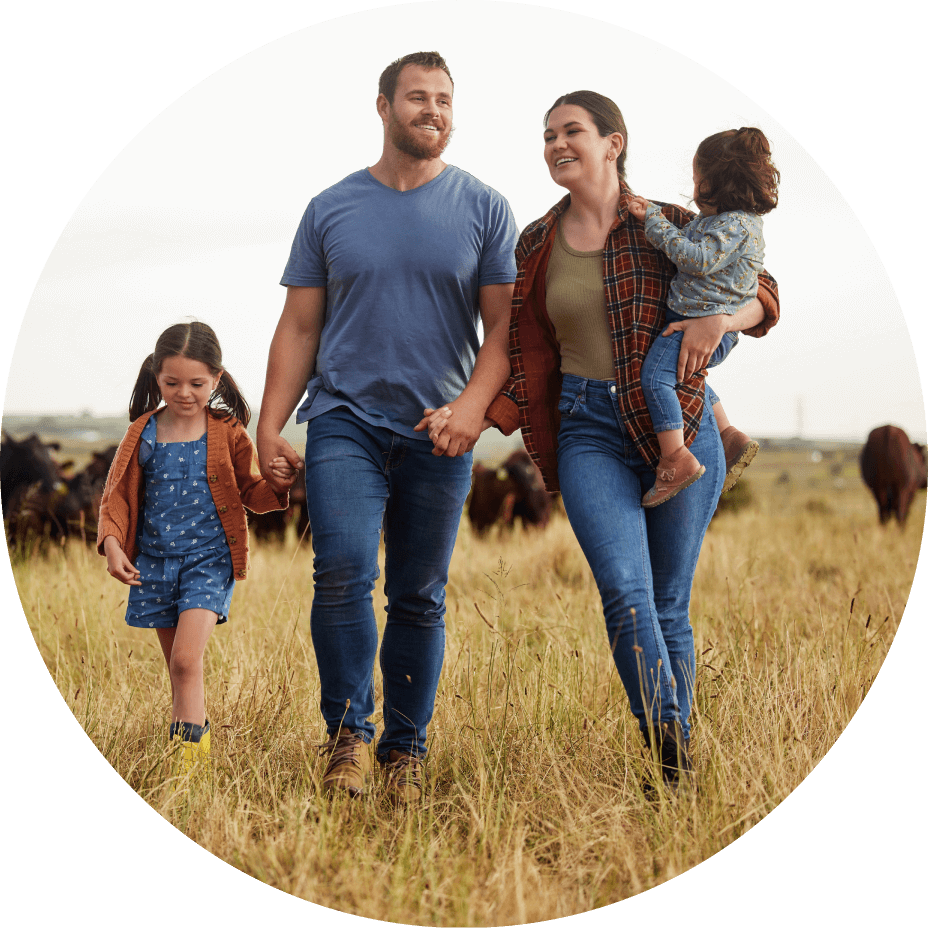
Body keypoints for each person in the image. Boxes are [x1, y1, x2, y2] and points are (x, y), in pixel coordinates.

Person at [426, 91, 778, 793]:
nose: (557, 143)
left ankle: (666, 781)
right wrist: (474, 411)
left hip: (677, 423)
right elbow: (516, 347)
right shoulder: (535, 243)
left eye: (572, 131)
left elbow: (763, 290)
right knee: (625, 592)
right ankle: (669, 743)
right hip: (586, 428)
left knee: (670, 603)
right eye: (548, 134)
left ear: (613, 143)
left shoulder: (674, 225)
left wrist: (722, 323)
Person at [256, 51, 518, 803]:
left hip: (441, 430)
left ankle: (404, 752)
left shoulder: (485, 207)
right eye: (416, 98)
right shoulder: (330, 208)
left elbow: (502, 330)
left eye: (443, 100)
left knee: (418, 595)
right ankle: (346, 740)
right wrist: (270, 428)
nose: (431, 110)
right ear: (382, 107)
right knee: (341, 570)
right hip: (344, 420)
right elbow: (300, 327)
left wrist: (471, 411)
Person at [97, 321, 291, 779]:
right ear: (156, 378)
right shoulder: (141, 432)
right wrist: (110, 543)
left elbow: (253, 493)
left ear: (217, 379)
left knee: (186, 660)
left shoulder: (228, 431)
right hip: (154, 563)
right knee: (179, 669)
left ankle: (189, 771)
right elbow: (117, 497)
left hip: (209, 561)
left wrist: (279, 485)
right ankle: (188, 758)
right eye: (172, 383)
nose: (185, 393)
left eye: (197, 384)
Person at [626, 127, 779, 507]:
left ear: (717, 182)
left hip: (700, 325)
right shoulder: (722, 221)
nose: (692, 189)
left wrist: (656, 223)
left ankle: (674, 458)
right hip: (699, 321)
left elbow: (696, 258)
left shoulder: (733, 226)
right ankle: (728, 433)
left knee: (655, 379)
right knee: (684, 377)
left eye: (697, 180)